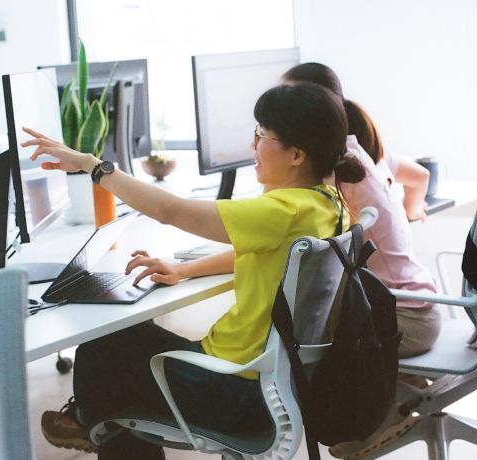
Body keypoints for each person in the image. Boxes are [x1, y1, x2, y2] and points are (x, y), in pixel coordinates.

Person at [24, 82, 365, 459]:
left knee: (102, 348)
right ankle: (93, 421)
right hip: (275, 382)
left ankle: (89, 421)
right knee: (124, 335)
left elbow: (171, 212)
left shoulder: (280, 211)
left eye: (262, 135)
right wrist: (186, 270)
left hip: (234, 387)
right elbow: (266, 256)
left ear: (296, 154)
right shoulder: (327, 204)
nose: (253, 145)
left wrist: (94, 167)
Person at [283, 62, 441, 459]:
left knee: (303, 336)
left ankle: (390, 412)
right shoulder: (363, 153)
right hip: (424, 304)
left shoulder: (340, 176)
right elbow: (419, 177)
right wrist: (411, 211)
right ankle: (398, 393)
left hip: (407, 318)